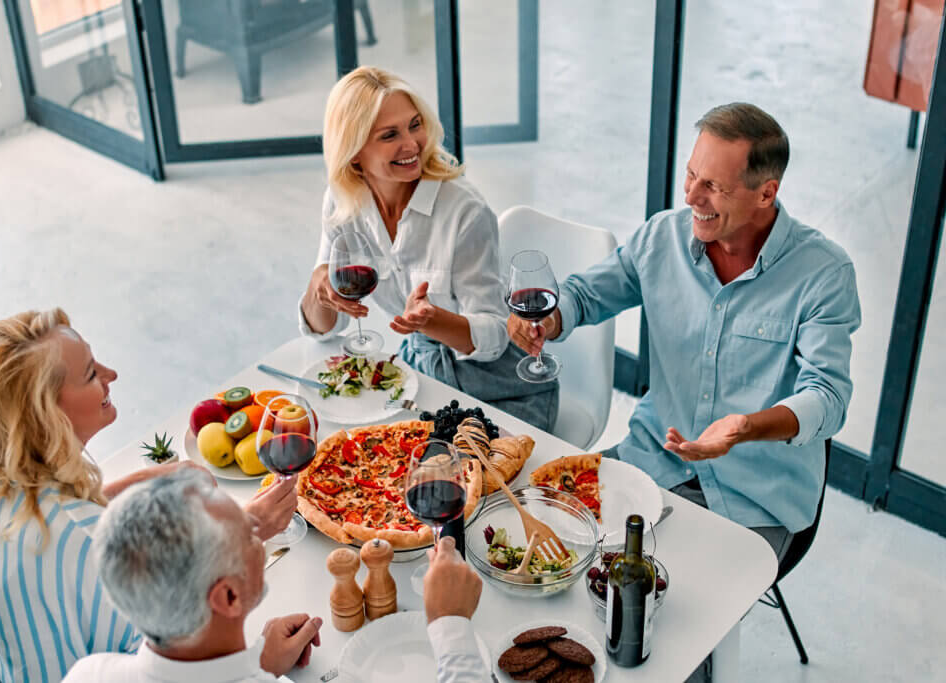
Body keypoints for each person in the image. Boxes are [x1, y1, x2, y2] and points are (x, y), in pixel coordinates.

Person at [509, 103, 861, 563]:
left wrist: (746, 427)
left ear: (765, 193)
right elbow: (587, 294)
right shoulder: (663, 238)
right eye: (691, 175)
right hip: (651, 461)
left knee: (654, 596)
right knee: (534, 542)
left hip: (756, 500)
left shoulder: (824, 274)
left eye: (713, 186)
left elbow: (828, 398)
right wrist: (551, 319)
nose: (692, 196)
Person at [0, 309, 297, 682]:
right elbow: (173, 624)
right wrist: (258, 663)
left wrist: (140, 480)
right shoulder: (83, 544)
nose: (110, 374)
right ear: (47, 415)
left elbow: (63, 512)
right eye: (90, 374)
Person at [299, 65, 558, 431]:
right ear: (353, 152)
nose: (412, 145)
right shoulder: (343, 201)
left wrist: (432, 321)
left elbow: (495, 336)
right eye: (390, 135)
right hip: (421, 379)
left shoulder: (464, 211)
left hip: (501, 389)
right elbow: (326, 329)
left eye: (415, 125)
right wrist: (318, 284)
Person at [63, 469, 487, 682]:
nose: (261, 533)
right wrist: (451, 625)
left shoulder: (88, 673)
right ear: (229, 597)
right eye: (248, 532)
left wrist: (256, 664)